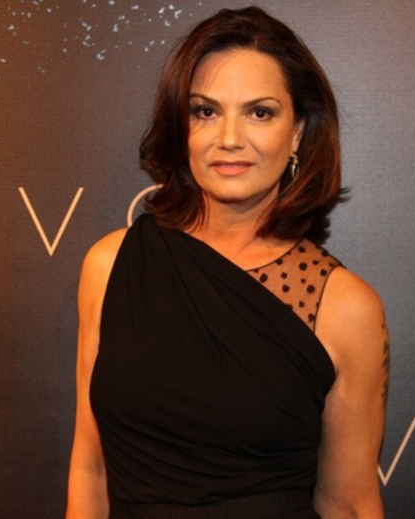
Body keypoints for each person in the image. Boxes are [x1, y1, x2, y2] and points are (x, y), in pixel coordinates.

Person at [66, 6, 389, 519]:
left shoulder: (343, 306)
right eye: (205, 112)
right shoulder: (111, 266)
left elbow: (348, 504)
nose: (230, 138)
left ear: (298, 131)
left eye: (260, 112)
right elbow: (91, 468)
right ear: (182, 126)